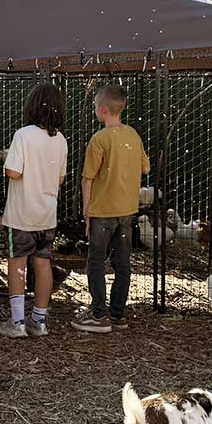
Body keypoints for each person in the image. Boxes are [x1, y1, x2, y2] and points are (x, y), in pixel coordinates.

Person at [71, 85, 150, 334]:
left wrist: (86, 211)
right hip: (127, 211)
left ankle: (98, 314)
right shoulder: (133, 136)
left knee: (96, 262)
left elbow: (88, 178)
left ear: (103, 110)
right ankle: (117, 314)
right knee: (122, 262)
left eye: (96, 107)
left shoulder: (100, 139)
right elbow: (145, 168)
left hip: (102, 212)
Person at [0, 82, 68, 338]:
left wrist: (7, 157)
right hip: (47, 215)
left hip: (21, 214)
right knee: (43, 264)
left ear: (31, 106)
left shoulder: (23, 135)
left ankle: (17, 322)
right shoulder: (60, 139)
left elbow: (14, 172)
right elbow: (60, 179)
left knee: (17, 263)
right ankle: (39, 320)